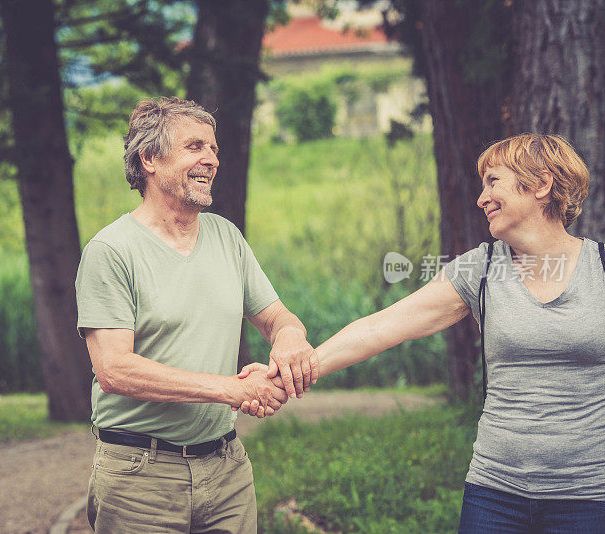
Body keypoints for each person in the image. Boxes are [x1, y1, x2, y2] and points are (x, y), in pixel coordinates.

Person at [241, 133, 605, 532]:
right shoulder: (479, 269)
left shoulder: (599, 268)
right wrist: (289, 373)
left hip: (589, 495)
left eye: (493, 182)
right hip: (496, 494)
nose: (481, 199)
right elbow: (381, 327)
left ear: (541, 185)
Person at [75, 96, 319, 534]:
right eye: (194, 147)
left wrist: (289, 339)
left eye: (214, 149)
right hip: (139, 475)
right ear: (149, 158)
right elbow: (114, 370)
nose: (211, 159)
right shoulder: (111, 251)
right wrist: (229, 389)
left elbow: (278, 316)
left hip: (226, 469)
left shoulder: (226, 236)